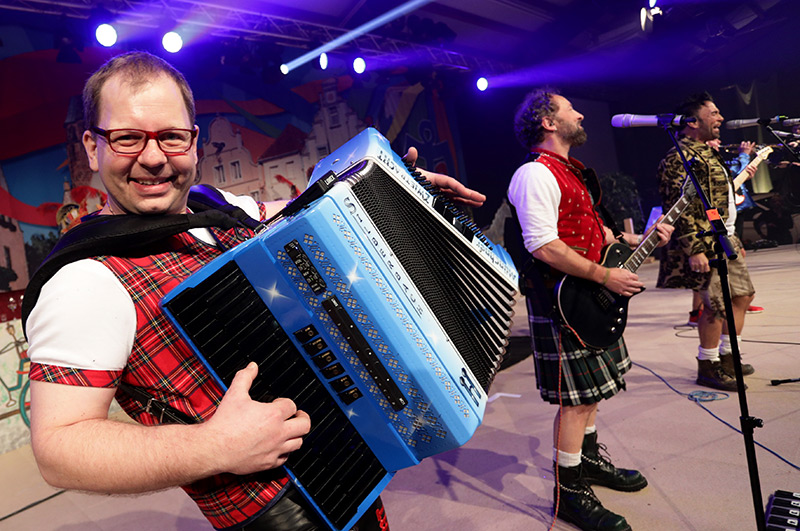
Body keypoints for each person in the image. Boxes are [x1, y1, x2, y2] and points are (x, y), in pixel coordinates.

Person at [24, 51, 485, 531]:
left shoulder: (220, 206)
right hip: (280, 518)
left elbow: (311, 211)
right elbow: (59, 448)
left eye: (171, 137)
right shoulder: (84, 281)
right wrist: (212, 447)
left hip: (354, 476)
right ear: (92, 147)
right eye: (127, 138)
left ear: (194, 142)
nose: (154, 158)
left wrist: (398, 189)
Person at [507, 88, 673, 531]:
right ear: (548, 121)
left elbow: (596, 234)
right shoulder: (535, 174)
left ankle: (588, 461)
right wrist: (604, 277)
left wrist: (640, 240)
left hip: (587, 300)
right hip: (565, 305)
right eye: (570, 109)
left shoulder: (569, 171)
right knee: (576, 403)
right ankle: (570, 492)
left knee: (592, 395)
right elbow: (542, 246)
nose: (580, 115)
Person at [656, 92, 757, 392]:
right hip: (705, 241)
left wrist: (733, 237)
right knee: (715, 306)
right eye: (713, 113)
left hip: (726, 236)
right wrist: (694, 248)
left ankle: (728, 356)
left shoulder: (708, 152)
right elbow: (677, 206)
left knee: (742, 296)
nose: (720, 118)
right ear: (691, 121)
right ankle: (708, 365)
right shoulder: (678, 157)